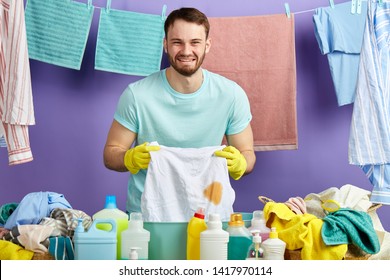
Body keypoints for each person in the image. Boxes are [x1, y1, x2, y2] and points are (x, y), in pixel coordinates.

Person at [103, 7, 256, 214]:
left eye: (195, 42)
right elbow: (110, 154)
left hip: (210, 214)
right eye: (177, 42)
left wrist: (240, 162)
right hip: (147, 215)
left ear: (207, 45)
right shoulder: (137, 95)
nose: (186, 51)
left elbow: (247, 155)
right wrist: (129, 158)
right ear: (165, 45)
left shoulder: (231, 95)